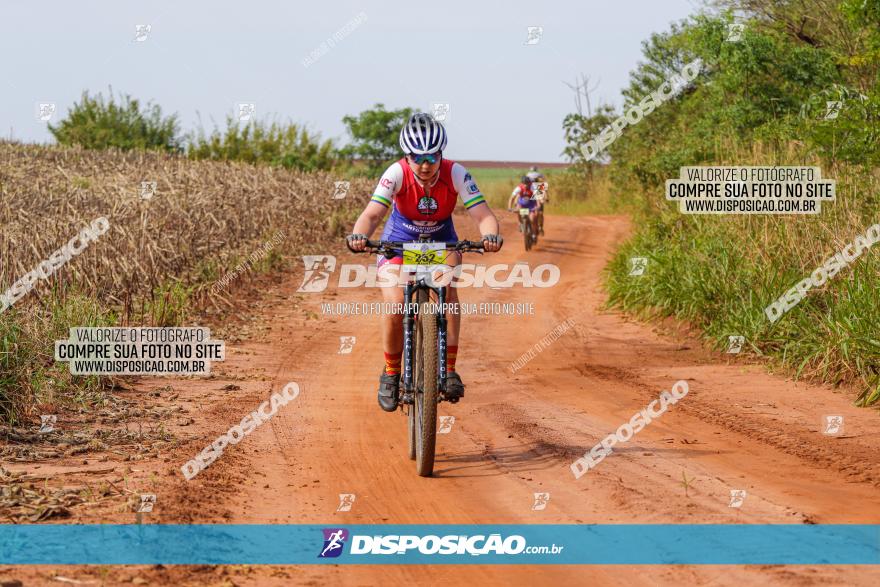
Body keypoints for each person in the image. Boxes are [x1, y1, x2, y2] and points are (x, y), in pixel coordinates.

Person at [346, 113, 503, 412]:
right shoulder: (396, 173)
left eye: (432, 156)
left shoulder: (456, 173)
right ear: (408, 156)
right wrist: (359, 235)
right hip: (398, 244)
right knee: (395, 306)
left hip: (441, 241)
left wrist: (490, 236)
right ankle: (391, 374)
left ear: (440, 153)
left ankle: (449, 369)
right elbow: (372, 214)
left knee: (449, 293)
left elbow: (483, 215)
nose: (425, 164)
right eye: (417, 157)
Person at [526, 166, 548, 235]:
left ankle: (540, 227)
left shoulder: (538, 186)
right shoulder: (528, 186)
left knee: (540, 213)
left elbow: (544, 192)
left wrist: (544, 198)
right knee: (539, 213)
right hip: (531, 203)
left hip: (535, 202)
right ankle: (523, 223)